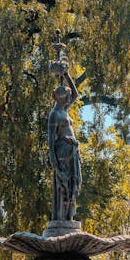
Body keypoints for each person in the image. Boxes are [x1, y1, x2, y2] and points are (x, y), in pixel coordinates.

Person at [47, 71, 82, 221]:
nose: (70, 99)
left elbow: (76, 94)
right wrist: (55, 166)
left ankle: (69, 217)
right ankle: (62, 217)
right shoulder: (55, 115)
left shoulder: (64, 110)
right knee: (64, 186)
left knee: (76, 182)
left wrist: (67, 75)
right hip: (63, 153)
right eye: (66, 97)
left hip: (73, 151)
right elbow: (50, 141)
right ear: (61, 98)